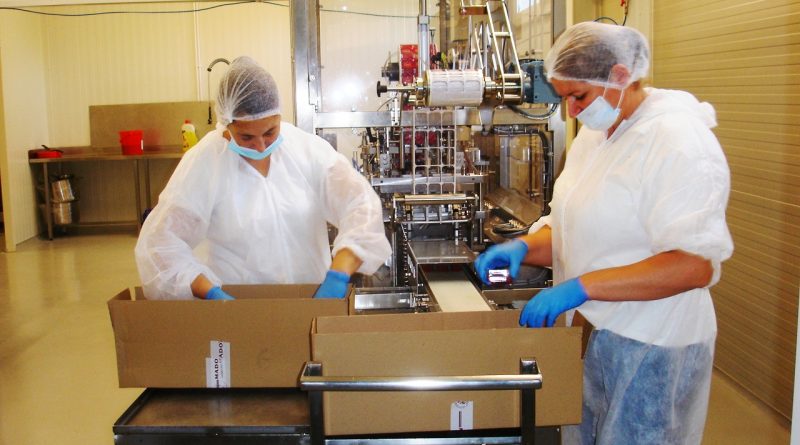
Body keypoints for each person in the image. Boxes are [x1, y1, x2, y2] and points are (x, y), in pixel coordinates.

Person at [474, 22, 733, 445]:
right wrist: (523, 247)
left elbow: (693, 265)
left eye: (578, 96)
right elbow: (573, 227)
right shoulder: (595, 138)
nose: (572, 111)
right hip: (596, 333)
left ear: (620, 75)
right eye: (563, 98)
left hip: (653, 343)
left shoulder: (677, 140)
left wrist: (581, 287)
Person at [135, 56, 391, 301]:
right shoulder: (205, 163)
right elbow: (160, 244)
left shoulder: (306, 150)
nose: (260, 146)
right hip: (241, 305)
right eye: (246, 137)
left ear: (279, 116)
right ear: (226, 124)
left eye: (270, 132)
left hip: (312, 298)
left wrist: (338, 275)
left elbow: (360, 205)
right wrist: (209, 292)